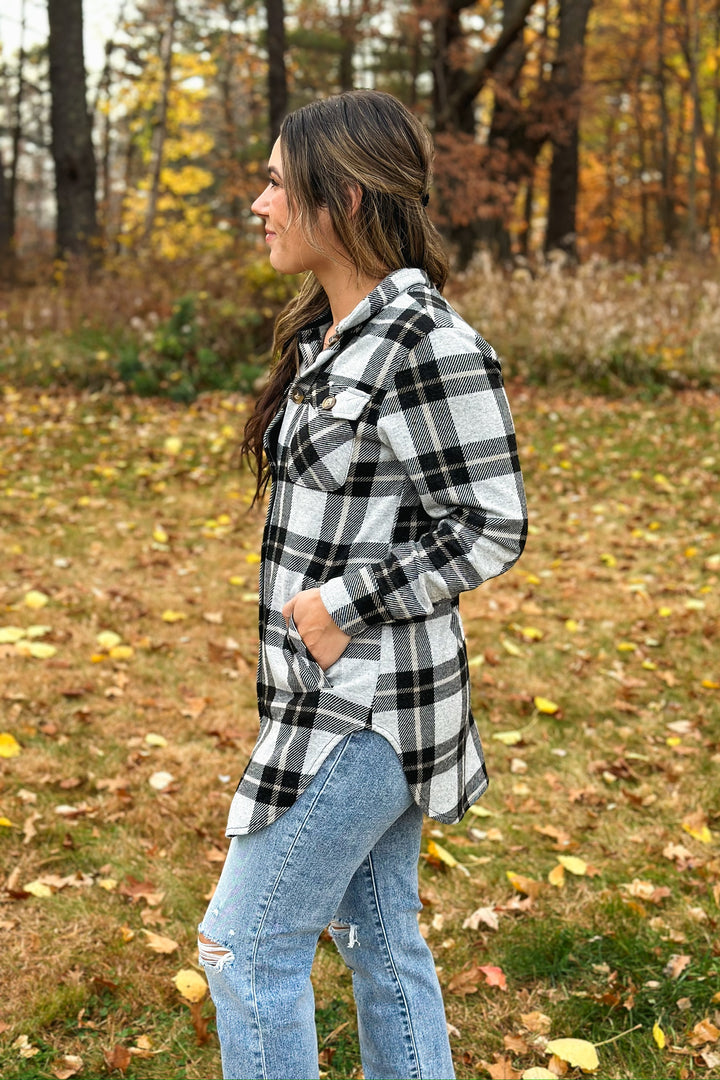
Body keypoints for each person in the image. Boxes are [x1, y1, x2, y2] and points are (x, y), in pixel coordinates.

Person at [198, 89, 528, 1080]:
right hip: (336, 700)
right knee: (380, 944)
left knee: (242, 949)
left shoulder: (427, 344)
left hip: (366, 710)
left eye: (272, 181)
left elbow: (492, 525)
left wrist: (342, 603)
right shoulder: (335, 338)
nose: (258, 203)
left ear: (337, 197)